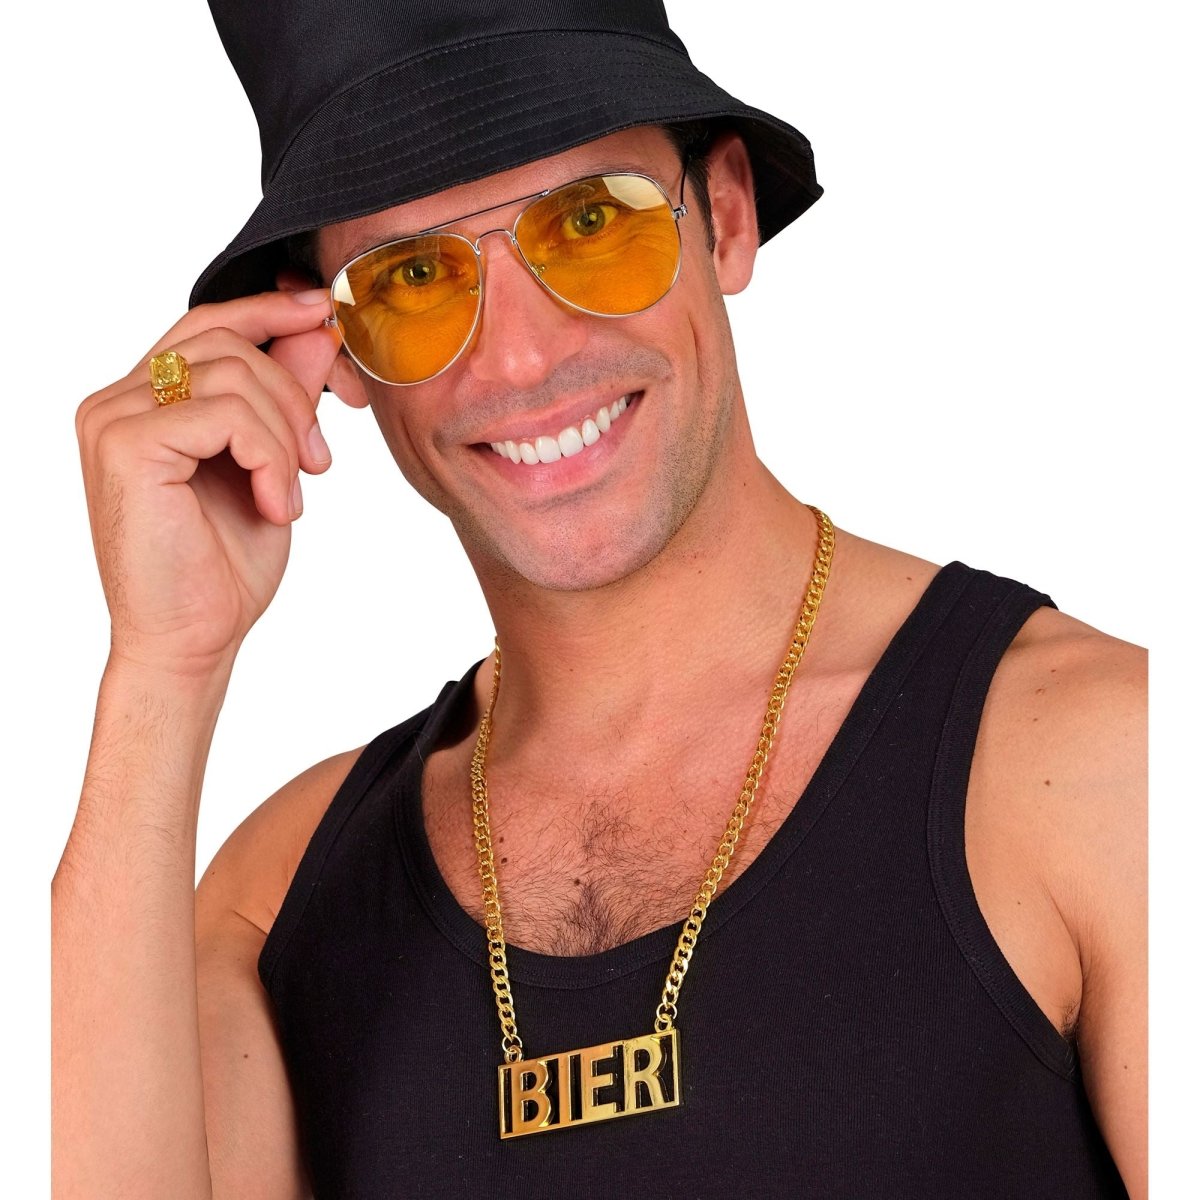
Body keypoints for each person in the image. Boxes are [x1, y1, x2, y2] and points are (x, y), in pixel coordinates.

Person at [51, 1, 1146, 1196]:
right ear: (333, 346)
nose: (521, 358)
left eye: (589, 222)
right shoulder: (279, 900)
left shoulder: (1098, 764)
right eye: (413, 276)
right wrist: (163, 668)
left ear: (725, 215)